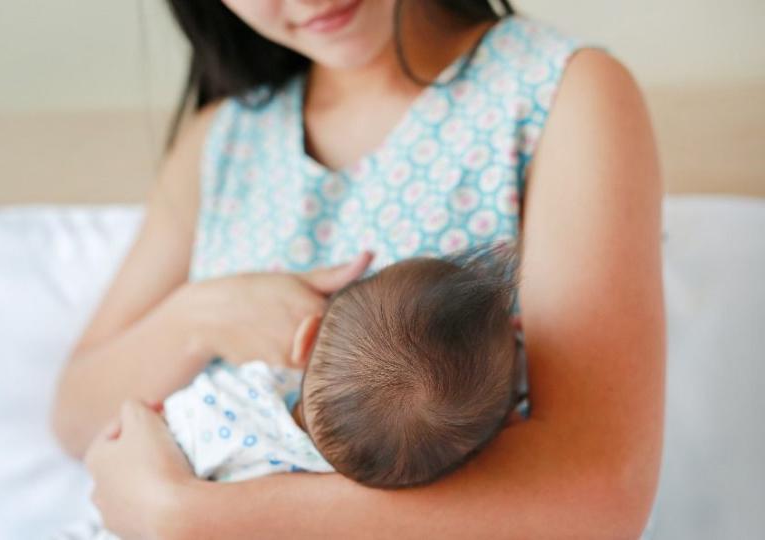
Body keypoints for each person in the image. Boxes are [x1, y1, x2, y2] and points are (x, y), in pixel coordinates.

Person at [51, 0, 665, 538]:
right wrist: (205, 316)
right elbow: (76, 418)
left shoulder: (556, 93)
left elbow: (598, 496)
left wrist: (193, 517)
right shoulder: (222, 141)